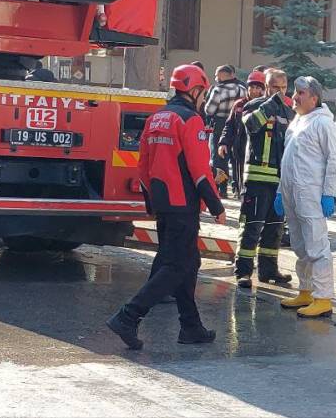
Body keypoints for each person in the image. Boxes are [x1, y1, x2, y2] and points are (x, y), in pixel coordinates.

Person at [106, 64, 227, 350]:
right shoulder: (190, 120)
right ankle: (129, 316)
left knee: (188, 262)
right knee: (177, 265)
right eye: (203, 92)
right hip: (182, 202)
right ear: (195, 90)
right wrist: (216, 205)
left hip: (163, 201)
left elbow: (143, 166)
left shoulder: (157, 118)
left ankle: (191, 326)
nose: (204, 98)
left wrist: (151, 201)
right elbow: (200, 171)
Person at [275, 76, 336, 318]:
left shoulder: (323, 124)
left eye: (300, 93)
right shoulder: (298, 121)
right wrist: (280, 191)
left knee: (317, 245)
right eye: (295, 92)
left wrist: (328, 194)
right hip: (293, 194)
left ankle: (323, 297)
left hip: (312, 194)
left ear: (314, 98)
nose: (295, 97)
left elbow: (335, 160)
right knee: (300, 245)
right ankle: (305, 290)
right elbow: (289, 160)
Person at [231, 69, 295, 289]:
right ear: (267, 86)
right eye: (275, 87)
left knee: (275, 228)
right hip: (257, 180)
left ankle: (268, 270)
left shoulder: (289, 112)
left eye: (284, 87)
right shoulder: (254, 105)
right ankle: (243, 272)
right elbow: (250, 125)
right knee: (251, 226)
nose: (280, 91)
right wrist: (270, 104)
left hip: (278, 182)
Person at [219, 71, 266, 196]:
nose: (254, 91)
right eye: (252, 87)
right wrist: (223, 143)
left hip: (258, 151)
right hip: (240, 149)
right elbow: (229, 125)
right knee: (240, 180)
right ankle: (240, 195)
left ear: (263, 90)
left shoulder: (266, 106)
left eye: (258, 88)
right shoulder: (239, 104)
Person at [205, 65, 246, 197]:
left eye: (217, 75)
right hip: (239, 124)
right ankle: (237, 188)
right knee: (236, 156)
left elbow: (209, 110)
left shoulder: (218, 90)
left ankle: (221, 189)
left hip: (220, 124)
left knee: (219, 158)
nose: (215, 78)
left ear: (224, 75)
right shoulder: (243, 89)